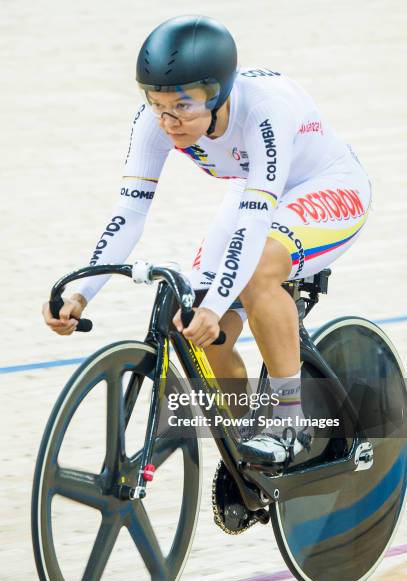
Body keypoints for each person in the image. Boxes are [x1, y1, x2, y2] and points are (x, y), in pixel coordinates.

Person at [42, 15, 371, 465]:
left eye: (182, 106)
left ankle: (290, 419)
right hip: (252, 188)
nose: (168, 120)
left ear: (218, 94)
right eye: (156, 103)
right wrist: (82, 293)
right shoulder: (154, 123)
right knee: (196, 328)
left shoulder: (263, 113)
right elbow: (130, 211)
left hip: (325, 185)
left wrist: (218, 305)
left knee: (257, 275)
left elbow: (256, 221)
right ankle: (247, 459)